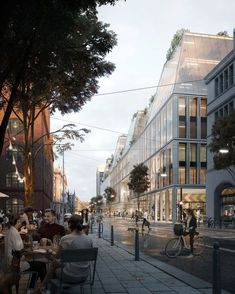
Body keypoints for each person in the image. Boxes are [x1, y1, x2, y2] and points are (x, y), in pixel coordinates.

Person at [4, 214, 46, 288]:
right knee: (41, 265)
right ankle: (44, 288)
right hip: (16, 264)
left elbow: (14, 248)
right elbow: (19, 252)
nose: (21, 223)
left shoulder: (8, 231)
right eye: (20, 221)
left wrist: (26, 246)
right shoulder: (15, 233)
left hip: (9, 262)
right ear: (18, 222)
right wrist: (30, 250)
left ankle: (32, 287)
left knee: (38, 266)